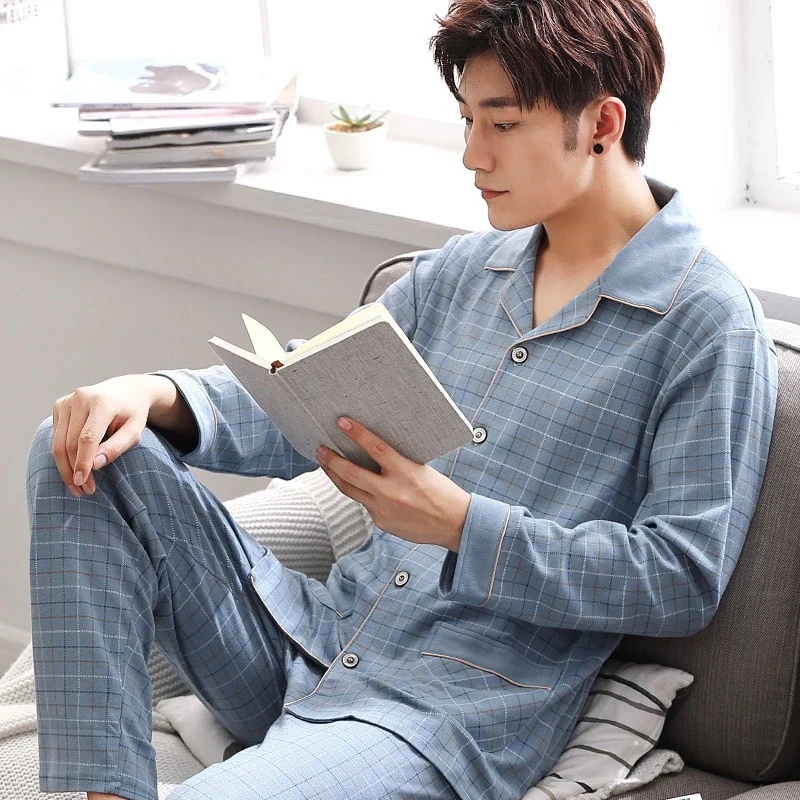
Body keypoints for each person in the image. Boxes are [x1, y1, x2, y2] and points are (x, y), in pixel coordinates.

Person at [26, 1, 777, 799]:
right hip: (308, 640)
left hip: (442, 716)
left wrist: (460, 525)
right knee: (78, 444)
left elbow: (680, 578)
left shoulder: (704, 323)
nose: (472, 155)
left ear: (602, 123)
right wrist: (149, 393)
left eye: (503, 124)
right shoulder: (462, 273)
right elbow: (306, 398)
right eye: (467, 121)